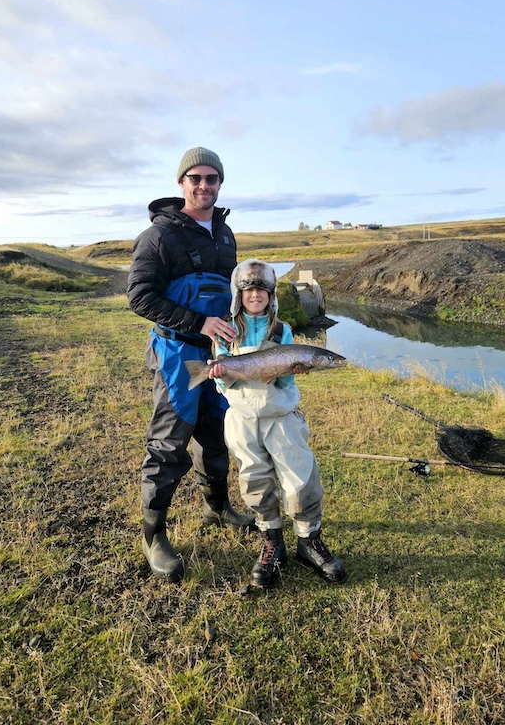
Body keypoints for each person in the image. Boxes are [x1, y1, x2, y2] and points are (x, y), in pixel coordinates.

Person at [127, 146, 254, 583]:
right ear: (181, 183)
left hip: (218, 354)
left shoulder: (226, 233)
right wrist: (199, 321)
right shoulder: (160, 236)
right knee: (169, 440)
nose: (204, 186)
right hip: (178, 352)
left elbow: (232, 292)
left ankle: (216, 505)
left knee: (216, 430)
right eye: (195, 178)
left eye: (212, 179)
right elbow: (140, 297)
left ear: (220, 183)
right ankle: (154, 534)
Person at [208, 258, 347, 588]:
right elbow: (223, 385)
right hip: (242, 420)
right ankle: (272, 542)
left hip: (281, 418)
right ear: (238, 295)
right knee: (254, 482)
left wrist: (290, 373)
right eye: (249, 290)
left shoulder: (281, 330)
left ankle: (308, 541)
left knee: (300, 479)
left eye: (262, 290)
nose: (255, 295)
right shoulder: (225, 330)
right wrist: (219, 375)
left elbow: (284, 382)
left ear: (272, 296)